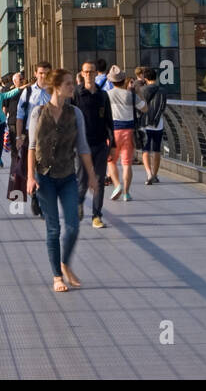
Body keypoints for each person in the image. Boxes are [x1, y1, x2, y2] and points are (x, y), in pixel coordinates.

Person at [27, 68, 97, 292]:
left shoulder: (75, 113)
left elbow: (83, 147)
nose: (72, 87)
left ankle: (65, 262)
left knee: (74, 226)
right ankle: (57, 276)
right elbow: (31, 147)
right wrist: (30, 177)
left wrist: (92, 177)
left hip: (67, 175)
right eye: (67, 84)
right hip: (44, 177)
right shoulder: (38, 113)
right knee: (53, 229)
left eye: (71, 83)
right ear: (56, 87)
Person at [74, 62, 114, 228]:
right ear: (82, 74)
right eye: (86, 72)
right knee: (81, 181)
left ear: (96, 73)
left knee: (98, 182)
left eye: (92, 72)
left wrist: (112, 144)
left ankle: (96, 215)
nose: (89, 75)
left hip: (100, 144)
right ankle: (79, 204)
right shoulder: (76, 94)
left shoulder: (102, 95)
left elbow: (109, 121)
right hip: (81, 145)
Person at [14, 61, 53, 216]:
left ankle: (42, 201)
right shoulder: (28, 92)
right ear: (36, 73)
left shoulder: (54, 90)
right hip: (32, 135)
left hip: (51, 136)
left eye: (46, 73)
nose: (43, 76)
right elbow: (19, 115)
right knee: (33, 169)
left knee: (46, 170)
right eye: (41, 73)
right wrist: (18, 136)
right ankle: (36, 195)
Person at [106, 67, 147, 201]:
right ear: (124, 80)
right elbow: (145, 108)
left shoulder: (107, 95)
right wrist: (139, 92)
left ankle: (117, 185)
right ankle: (126, 193)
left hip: (113, 132)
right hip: (129, 131)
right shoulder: (131, 95)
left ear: (111, 81)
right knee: (127, 163)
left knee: (111, 162)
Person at [138, 67, 168, 184]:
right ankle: (155, 175)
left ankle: (149, 174)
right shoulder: (163, 90)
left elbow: (139, 106)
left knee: (145, 150)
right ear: (156, 77)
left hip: (145, 124)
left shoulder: (142, 90)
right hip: (158, 124)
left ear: (145, 78)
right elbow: (163, 107)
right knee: (156, 150)